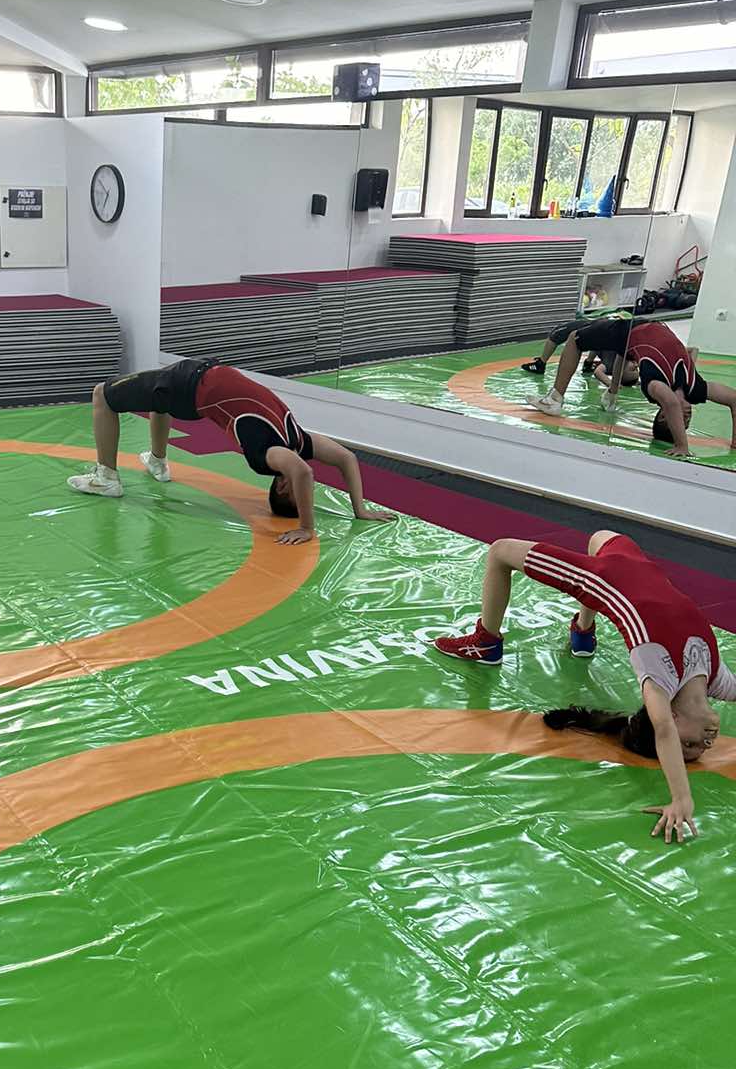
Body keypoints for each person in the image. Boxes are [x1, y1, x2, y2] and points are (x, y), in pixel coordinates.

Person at [433, 529, 736, 841]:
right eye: (699, 748)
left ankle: (487, 642)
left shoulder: (657, 678)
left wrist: (681, 799)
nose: (706, 744)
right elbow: (665, 730)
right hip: (633, 563)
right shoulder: (718, 679)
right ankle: (583, 629)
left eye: (688, 746)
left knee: (500, 550)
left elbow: (662, 730)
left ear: (673, 719)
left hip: (599, 579)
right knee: (599, 538)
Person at [68, 357, 395, 544]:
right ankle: (158, 461)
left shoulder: (265, 455)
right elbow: (346, 458)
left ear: (284, 487)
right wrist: (359, 509)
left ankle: (107, 478)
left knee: (102, 395)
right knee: (158, 400)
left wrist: (307, 528)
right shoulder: (298, 441)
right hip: (196, 379)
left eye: (302, 493)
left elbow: (304, 472)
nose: (308, 487)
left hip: (190, 387)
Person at [533, 319, 736, 459]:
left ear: (663, 415)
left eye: (683, 420)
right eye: (688, 421)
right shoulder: (696, 389)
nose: (689, 416)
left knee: (575, 337)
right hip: (648, 330)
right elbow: (734, 400)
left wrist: (682, 446)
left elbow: (672, 403)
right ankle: (611, 395)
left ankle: (554, 399)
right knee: (626, 352)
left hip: (632, 330)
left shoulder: (654, 386)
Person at [519, 310, 632, 380]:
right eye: (636, 370)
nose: (635, 367)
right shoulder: (627, 356)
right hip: (608, 328)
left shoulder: (611, 365)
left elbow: (598, 372)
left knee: (557, 333)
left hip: (601, 328)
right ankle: (588, 363)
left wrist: (612, 387)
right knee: (597, 339)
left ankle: (541, 363)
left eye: (633, 370)